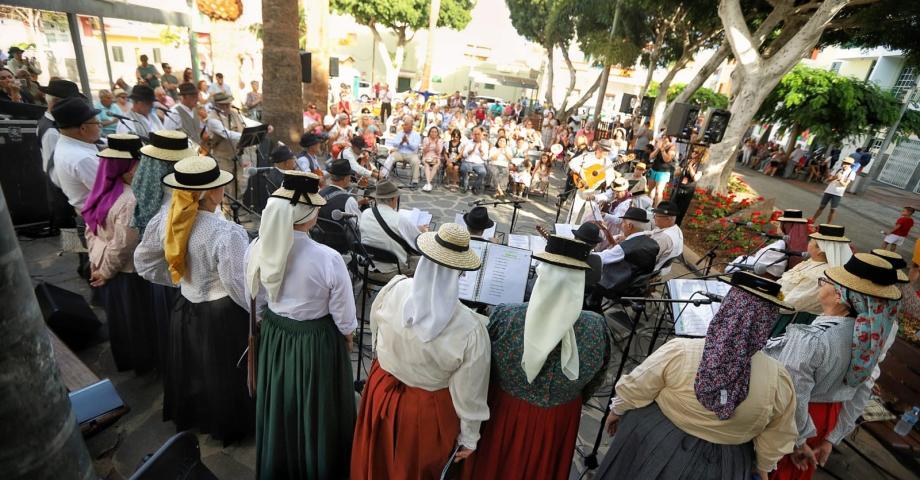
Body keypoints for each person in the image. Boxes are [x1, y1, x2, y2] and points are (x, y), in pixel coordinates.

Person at [596, 271, 797, 480]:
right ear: (767, 322)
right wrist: (762, 466)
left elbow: (638, 386)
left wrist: (617, 411)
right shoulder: (778, 378)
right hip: (725, 465)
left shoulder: (681, 350)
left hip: (656, 441)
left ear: (727, 307)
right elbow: (777, 435)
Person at [463, 234, 610, 479]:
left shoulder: (507, 315)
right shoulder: (597, 327)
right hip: (560, 417)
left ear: (542, 274)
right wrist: (567, 394)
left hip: (505, 411)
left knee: (496, 465)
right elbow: (597, 379)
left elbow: (482, 366)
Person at [351, 223, 490, 479]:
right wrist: (470, 437)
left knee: (376, 457)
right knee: (412, 468)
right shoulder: (470, 329)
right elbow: (469, 393)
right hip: (425, 411)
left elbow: (377, 334)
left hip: (381, 389)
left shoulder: (393, 288)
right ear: (460, 272)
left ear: (425, 260)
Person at [244, 171, 357, 478]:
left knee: (281, 402)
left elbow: (254, 300)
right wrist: (347, 336)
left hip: (276, 335)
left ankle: (280, 463)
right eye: (315, 207)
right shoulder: (328, 258)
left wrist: (270, 324)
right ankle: (316, 464)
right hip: (315, 341)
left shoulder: (257, 248)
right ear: (306, 214)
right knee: (316, 407)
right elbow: (344, 316)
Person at [133, 155, 253, 443]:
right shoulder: (226, 233)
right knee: (222, 371)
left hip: (185, 306)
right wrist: (257, 313)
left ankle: (198, 417)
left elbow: (145, 263)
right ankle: (227, 424)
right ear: (213, 192)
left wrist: (181, 280)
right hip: (222, 314)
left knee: (195, 366)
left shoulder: (167, 219)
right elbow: (237, 284)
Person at [765, 253, 901, 480]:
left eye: (825, 281)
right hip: (828, 419)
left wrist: (798, 440)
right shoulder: (867, 341)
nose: (821, 284)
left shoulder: (815, 339)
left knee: (773, 472)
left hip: (796, 420)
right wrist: (832, 438)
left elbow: (792, 394)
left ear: (840, 296)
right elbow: (861, 391)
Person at [83, 134, 156, 374]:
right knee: (135, 320)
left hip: (103, 265)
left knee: (119, 319)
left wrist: (97, 265)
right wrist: (105, 271)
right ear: (126, 167)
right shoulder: (130, 200)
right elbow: (123, 244)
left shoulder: (103, 191)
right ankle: (143, 364)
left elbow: (91, 230)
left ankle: (127, 360)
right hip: (123, 271)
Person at [130, 130, 197, 378]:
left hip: (166, 277)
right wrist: (176, 278)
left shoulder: (154, 189)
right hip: (176, 280)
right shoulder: (170, 207)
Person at [770, 224, 854, 337]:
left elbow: (789, 305)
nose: (808, 243)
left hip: (790, 322)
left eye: (811, 242)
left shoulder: (820, 275)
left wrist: (770, 295)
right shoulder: (811, 262)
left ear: (820, 250)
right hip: (776, 308)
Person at [358, 180, 426, 281]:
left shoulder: (365, 213)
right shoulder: (400, 220)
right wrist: (423, 231)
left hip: (364, 267)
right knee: (425, 262)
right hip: (390, 273)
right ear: (394, 199)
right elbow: (418, 244)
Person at [49, 97, 102, 212]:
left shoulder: (66, 142)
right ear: (83, 128)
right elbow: (107, 190)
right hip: (99, 213)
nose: (100, 126)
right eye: (97, 123)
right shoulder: (82, 158)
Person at [727, 209, 811, 279]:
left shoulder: (780, 246)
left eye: (780, 224)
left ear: (785, 226)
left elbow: (761, 268)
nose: (778, 226)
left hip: (756, 277)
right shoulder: (802, 246)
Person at [595, 207, 660, 298]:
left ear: (629, 226)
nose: (622, 225)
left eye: (623, 223)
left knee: (592, 273)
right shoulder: (653, 243)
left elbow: (601, 258)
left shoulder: (626, 247)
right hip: (637, 287)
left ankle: (593, 304)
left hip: (619, 288)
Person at [205, 92, 248, 201]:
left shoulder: (234, 114)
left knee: (239, 182)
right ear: (218, 105)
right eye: (224, 104)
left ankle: (238, 208)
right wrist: (246, 136)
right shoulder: (212, 119)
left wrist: (262, 128)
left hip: (236, 155)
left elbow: (246, 123)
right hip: (222, 156)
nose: (228, 106)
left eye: (228, 103)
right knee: (226, 185)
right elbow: (226, 134)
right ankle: (227, 210)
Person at [567, 140, 617, 224]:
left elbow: (611, 178)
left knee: (587, 216)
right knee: (573, 213)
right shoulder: (586, 156)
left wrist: (604, 180)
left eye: (607, 151)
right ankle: (566, 232)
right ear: (599, 148)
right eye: (605, 150)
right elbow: (572, 163)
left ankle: (581, 234)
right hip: (581, 186)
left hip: (594, 192)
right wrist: (582, 172)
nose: (606, 153)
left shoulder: (607, 162)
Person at [319, 158, 363, 228]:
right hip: (340, 238)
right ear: (346, 178)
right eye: (350, 176)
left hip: (319, 237)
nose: (350, 179)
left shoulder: (320, 193)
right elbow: (360, 226)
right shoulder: (348, 200)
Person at [811, 156, 856, 224]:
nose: (844, 164)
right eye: (844, 162)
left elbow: (845, 185)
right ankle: (813, 220)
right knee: (821, 207)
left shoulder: (852, 172)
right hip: (829, 191)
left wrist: (840, 179)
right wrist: (834, 177)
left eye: (846, 163)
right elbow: (827, 180)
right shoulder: (838, 169)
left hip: (838, 193)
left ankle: (828, 225)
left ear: (850, 165)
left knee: (833, 210)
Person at [384, 115, 422, 188]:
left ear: (411, 126)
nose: (404, 126)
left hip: (411, 154)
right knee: (391, 157)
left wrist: (407, 142)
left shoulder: (416, 135)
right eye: (403, 125)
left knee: (416, 161)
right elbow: (394, 144)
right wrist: (401, 142)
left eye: (406, 125)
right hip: (400, 152)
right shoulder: (400, 133)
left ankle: (414, 181)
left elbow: (414, 147)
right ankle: (383, 175)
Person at [647, 201, 684, 273]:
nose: (654, 218)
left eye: (656, 216)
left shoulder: (664, 238)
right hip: (663, 269)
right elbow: (653, 232)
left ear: (668, 219)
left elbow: (647, 259)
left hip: (651, 272)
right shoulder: (676, 229)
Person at [647, 134, 678, 207]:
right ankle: (648, 206)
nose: (663, 139)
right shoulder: (659, 145)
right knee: (650, 190)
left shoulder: (672, 147)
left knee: (658, 192)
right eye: (662, 137)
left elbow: (667, 159)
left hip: (663, 172)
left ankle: (656, 208)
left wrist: (663, 150)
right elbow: (651, 157)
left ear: (669, 138)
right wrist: (658, 148)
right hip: (654, 169)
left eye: (665, 138)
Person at [459, 127, 490, 193]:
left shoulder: (485, 144)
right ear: (472, 134)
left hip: (479, 163)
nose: (476, 136)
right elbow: (464, 155)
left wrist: (481, 151)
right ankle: (465, 184)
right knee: (463, 169)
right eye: (475, 134)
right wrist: (471, 151)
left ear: (481, 135)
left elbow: (485, 158)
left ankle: (475, 187)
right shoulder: (468, 142)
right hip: (468, 161)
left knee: (483, 172)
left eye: (478, 134)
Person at [420, 126, 443, 192]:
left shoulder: (440, 140)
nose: (433, 133)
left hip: (436, 156)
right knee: (426, 164)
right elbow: (424, 151)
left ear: (437, 133)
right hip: (426, 156)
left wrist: (436, 143)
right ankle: (429, 184)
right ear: (429, 132)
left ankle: (428, 183)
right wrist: (428, 144)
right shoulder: (426, 139)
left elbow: (438, 152)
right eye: (432, 132)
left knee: (436, 165)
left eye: (435, 132)